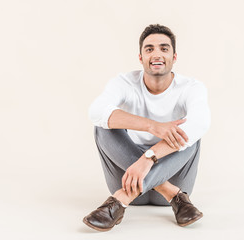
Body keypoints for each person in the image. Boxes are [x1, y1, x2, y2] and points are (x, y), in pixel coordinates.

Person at [82, 24, 211, 231]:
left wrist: (148, 158)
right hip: (129, 177)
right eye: (149, 49)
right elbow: (96, 111)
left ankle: (119, 202)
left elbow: (200, 123)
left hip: (169, 175)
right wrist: (153, 126)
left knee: (192, 133)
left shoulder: (191, 87)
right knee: (102, 126)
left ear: (174, 57)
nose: (156, 54)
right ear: (141, 57)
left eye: (164, 48)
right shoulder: (124, 82)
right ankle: (172, 193)